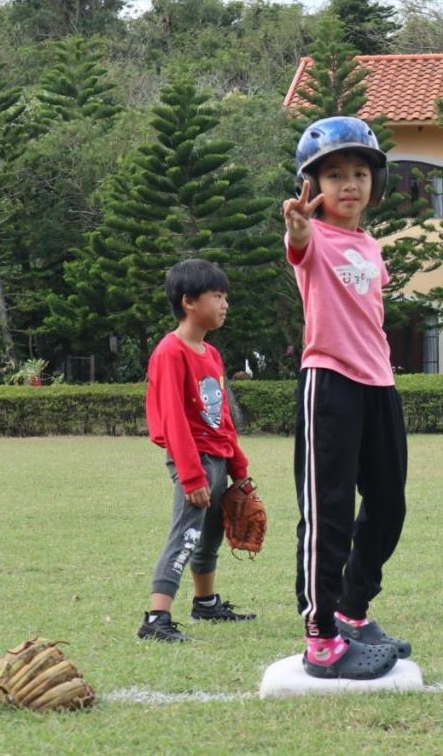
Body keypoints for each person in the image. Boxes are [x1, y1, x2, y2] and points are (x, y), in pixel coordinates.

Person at [282, 116, 410, 680]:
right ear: (313, 186)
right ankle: (322, 639)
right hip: (330, 384)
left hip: (379, 384)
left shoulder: (369, 245)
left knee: (387, 506)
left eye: (360, 172)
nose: (349, 184)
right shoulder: (313, 239)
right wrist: (297, 229)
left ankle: (352, 611)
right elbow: (299, 244)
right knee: (328, 513)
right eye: (334, 174)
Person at [138, 259, 257, 642]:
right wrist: (192, 475)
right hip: (195, 459)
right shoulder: (170, 352)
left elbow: (221, 416)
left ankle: (204, 603)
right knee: (186, 533)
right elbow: (173, 418)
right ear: (189, 301)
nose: (225, 304)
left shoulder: (212, 353)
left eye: (226, 296)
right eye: (217, 296)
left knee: (210, 535)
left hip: (217, 456)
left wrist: (239, 467)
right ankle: (156, 617)